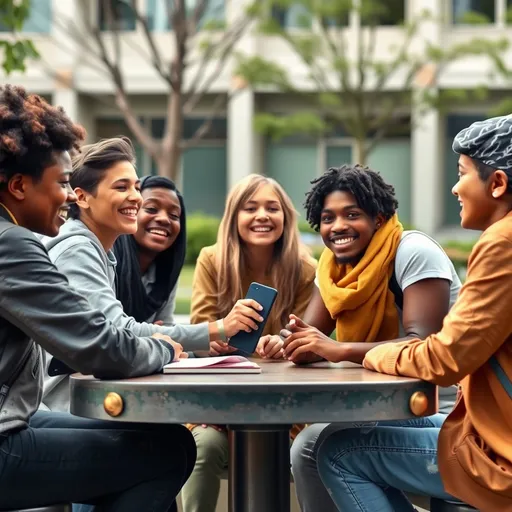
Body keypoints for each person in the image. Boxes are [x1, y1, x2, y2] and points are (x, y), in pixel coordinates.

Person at [0, 84, 195, 511]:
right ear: (18, 185)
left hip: (17, 420)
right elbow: (99, 345)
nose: (70, 196)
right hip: (5, 441)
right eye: (63, 184)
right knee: (166, 453)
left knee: (163, 438)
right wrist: (164, 349)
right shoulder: (11, 245)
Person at [314, 115, 512, 511]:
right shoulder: (332, 266)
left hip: (499, 453)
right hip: (485, 427)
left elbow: (442, 358)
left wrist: (353, 350)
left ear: (498, 184)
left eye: (462, 174)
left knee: (337, 451)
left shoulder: (501, 244)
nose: (455, 188)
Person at [281, 164, 462, 512]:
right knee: (306, 446)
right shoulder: (334, 269)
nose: (338, 227)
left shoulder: (412, 251)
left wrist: (337, 349)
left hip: (436, 405)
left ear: (379, 218)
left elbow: (421, 344)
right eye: (328, 218)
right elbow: (308, 338)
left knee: (336, 451)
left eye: (352, 214)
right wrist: (284, 342)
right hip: (377, 403)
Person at [42, 138, 260, 412]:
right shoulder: (77, 249)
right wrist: (219, 329)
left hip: (100, 395)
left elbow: (148, 335)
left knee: (174, 439)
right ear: (82, 197)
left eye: (135, 187)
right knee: (171, 442)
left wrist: (191, 345)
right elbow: (118, 332)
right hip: (65, 406)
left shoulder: (101, 252)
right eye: (122, 187)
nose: (136, 196)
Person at [181, 173, 317, 512]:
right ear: (234, 217)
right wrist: (221, 335)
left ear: (285, 217)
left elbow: (308, 337)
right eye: (250, 208)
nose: (262, 216)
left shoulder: (304, 269)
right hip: (217, 411)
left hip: (286, 413)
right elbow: (199, 335)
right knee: (204, 448)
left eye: (273, 208)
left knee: (312, 449)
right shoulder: (212, 260)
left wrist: (284, 345)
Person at [113, 175, 186, 325]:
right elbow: (109, 329)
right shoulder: (107, 259)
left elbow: (165, 326)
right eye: (152, 209)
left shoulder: (167, 271)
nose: (164, 219)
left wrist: (203, 343)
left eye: (174, 215)